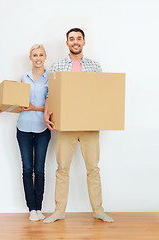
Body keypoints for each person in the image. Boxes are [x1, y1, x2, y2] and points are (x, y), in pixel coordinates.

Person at [43, 28, 114, 223]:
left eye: (79, 39)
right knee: (62, 168)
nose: (75, 42)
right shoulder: (57, 65)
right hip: (65, 125)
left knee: (93, 168)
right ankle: (59, 211)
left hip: (89, 125)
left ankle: (98, 210)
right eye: (71, 39)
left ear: (84, 42)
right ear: (67, 43)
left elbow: (101, 94)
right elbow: (51, 94)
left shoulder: (94, 66)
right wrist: (46, 114)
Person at [0, 44, 51, 221]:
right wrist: (2, 107)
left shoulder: (51, 78)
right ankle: (31, 209)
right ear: (30, 58)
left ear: (45, 57)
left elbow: (53, 104)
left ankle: (39, 207)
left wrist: (36, 108)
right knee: (27, 168)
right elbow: (18, 102)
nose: (38, 58)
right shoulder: (23, 77)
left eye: (41, 55)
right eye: (35, 55)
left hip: (42, 129)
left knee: (39, 169)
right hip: (23, 128)